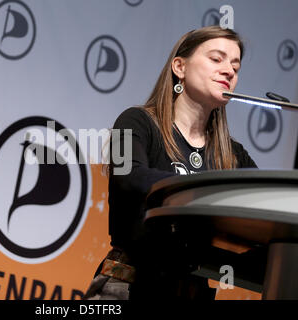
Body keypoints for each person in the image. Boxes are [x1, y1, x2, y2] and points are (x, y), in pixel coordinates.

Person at [83, 25, 258, 300]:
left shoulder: (233, 154)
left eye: (235, 66)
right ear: (179, 66)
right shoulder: (135, 122)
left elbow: (262, 205)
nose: (229, 71)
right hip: (128, 285)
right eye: (216, 59)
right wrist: (209, 194)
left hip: (192, 290)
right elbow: (130, 177)